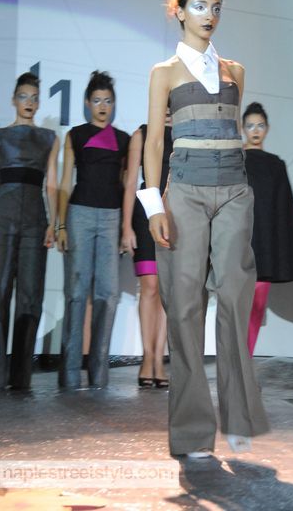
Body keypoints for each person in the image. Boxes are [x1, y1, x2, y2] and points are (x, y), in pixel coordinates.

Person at [137, 0, 269, 457]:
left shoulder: (236, 71)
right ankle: (193, 433)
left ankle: (239, 419)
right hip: (185, 192)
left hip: (234, 190)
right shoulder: (164, 73)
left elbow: (231, 133)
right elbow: (155, 142)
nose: (209, 15)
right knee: (185, 307)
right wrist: (154, 204)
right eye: (199, 6)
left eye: (215, 7)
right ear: (180, 12)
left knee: (235, 298)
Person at [57, 71, 129, 389]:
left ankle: (99, 374)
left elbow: (126, 186)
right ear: (87, 103)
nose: (102, 106)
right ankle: (69, 372)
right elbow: (64, 183)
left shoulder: (124, 140)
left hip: (111, 217)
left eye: (108, 101)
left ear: (113, 104)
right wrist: (60, 224)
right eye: (97, 100)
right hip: (80, 215)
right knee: (76, 293)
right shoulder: (75, 135)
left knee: (108, 294)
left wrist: (126, 227)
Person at [0, 72, 59, 390]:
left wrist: (54, 222)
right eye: (24, 96)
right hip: (2, 219)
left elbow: (52, 184)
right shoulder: (0, 136)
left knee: (30, 297)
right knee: (0, 293)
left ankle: (21, 377)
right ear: (13, 100)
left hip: (35, 220)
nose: (30, 102)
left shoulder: (49, 138)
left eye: (34, 98)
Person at [243, 102, 293, 355]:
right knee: (236, 306)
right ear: (242, 128)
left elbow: (283, 209)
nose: (255, 131)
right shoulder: (234, 161)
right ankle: (235, 361)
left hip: (265, 243)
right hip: (238, 239)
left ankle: (245, 359)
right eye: (250, 126)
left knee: (257, 303)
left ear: (267, 129)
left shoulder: (275, 165)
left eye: (260, 125)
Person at [121, 118, 172, 388]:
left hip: (175, 213)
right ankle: (147, 356)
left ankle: (159, 359)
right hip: (145, 213)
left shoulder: (184, 133)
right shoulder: (140, 134)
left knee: (166, 290)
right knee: (150, 285)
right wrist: (126, 226)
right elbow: (130, 182)